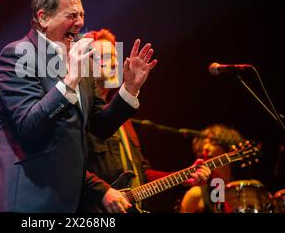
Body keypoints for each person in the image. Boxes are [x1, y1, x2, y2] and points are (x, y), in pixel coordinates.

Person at [0, 0, 158, 212]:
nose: (80, 22)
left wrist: (129, 89)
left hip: (70, 202)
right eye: (72, 15)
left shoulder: (80, 59)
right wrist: (70, 80)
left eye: (82, 14)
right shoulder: (18, 54)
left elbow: (99, 127)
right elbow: (29, 128)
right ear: (44, 18)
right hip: (28, 200)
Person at [82, 29, 212, 213]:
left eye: (115, 56)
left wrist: (183, 176)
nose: (113, 62)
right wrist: (103, 192)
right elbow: (69, 167)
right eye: (102, 56)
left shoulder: (123, 119)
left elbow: (141, 174)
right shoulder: (80, 113)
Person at [180, 124, 244, 213]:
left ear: (228, 147)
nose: (205, 148)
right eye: (204, 144)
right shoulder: (196, 194)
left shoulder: (243, 192)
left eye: (213, 143)